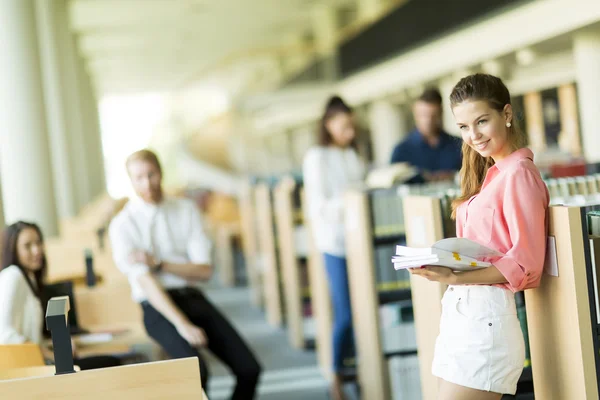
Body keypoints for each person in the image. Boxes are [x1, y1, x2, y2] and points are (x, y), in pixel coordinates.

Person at [410, 74, 549, 399]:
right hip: (463, 319)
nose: (473, 135)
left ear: (507, 114)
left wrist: (457, 276)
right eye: (463, 127)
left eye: (482, 121)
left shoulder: (518, 175)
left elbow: (526, 264)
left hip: (485, 324)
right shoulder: (491, 175)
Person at [108, 149, 261, 399]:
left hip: (192, 296)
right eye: (139, 178)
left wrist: (158, 263)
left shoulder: (186, 210)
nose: (147, 183)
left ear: (161, 172)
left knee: (249, 369)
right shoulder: (123, 225)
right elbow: (146, 282)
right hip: (156, 307)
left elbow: (204, 270)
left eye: (152, 174)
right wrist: (183, 325)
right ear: (131, 181)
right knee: (197, 373)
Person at [302, 96, 365, 400]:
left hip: (359, 243)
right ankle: (335, 376)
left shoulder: (352, 154)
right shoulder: (317, 157)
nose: (349, 133)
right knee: (347, 314)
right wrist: (353, 198)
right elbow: (320, 206)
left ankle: (361, 371)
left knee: (365, 310)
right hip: (335, 244)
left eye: (352, 126)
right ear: (329, 126)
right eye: (344, 127)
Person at [0, 221, 121, 370]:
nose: (37, 250)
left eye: (39, 243)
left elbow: (32, 337)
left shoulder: (29, 279)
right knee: (111, 363)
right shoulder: (13, 275)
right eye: (28, 246)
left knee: (107, 361)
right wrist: (52, 356)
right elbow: (5, 334)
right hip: (29, 368)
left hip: (37, 364)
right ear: (14, 250)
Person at [390, 88, 462, 182]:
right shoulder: (401, 151)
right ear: (415, 113)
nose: (428, 121)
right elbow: (393, 185)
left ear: (441, 113)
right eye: (423, 115)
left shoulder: (459, 145)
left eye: (433, 115)